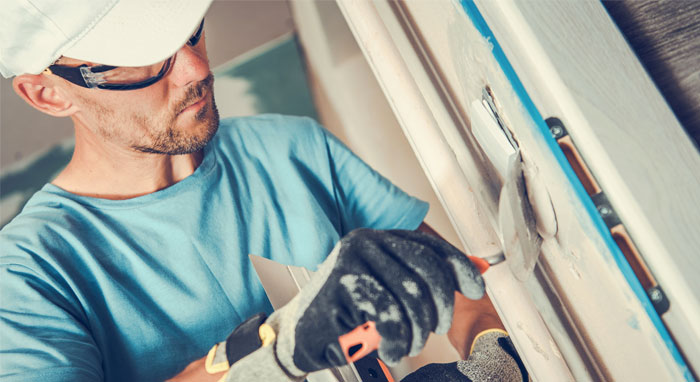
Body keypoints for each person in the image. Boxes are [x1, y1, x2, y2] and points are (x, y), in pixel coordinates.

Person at [0, 1, 523, 381]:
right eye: (147, 59)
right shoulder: (27, 273)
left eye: (189, 31)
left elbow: (459, 290)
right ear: (47, 93)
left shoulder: (292, 149)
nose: (197, 69)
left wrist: (493, 361)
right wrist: (272, 352)